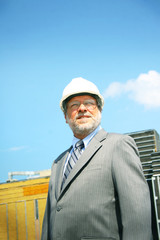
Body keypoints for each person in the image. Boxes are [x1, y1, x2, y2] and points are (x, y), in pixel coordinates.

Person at [41, 77, 152, 240]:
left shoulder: (118, 145)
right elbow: (49, 223)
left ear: (99, 110)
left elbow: (137, 215)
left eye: (89, 103)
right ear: (65, 117)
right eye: (74, 105)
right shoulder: (58, 163)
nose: (82, 109)